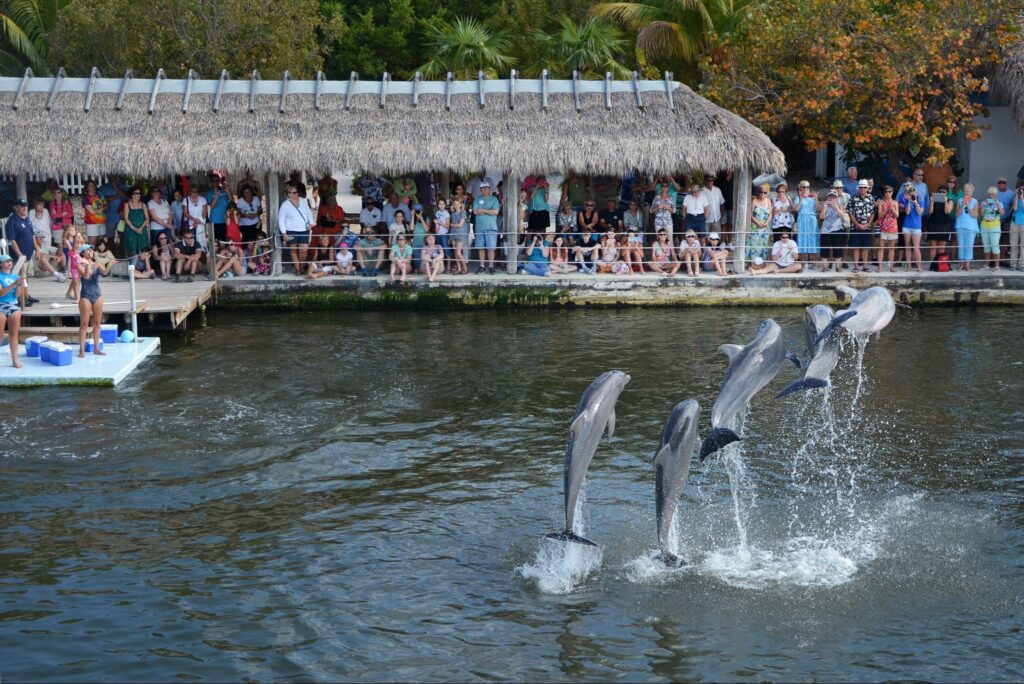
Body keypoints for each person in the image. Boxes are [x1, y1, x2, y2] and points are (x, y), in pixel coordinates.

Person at [75, 244, 112, 358]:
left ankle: (96, 348)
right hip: (85, 296)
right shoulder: (79, 264)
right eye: (87, 250)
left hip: (97, 295)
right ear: (82, 253)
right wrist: (88, 265)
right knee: (84, 324)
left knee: (97, 323)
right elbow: (86, 276)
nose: (90, 251)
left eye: (91, 249)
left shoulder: (97, 263)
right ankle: (81, 350)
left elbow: (105, 273)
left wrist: (110, 264)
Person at [6, 199, 38, 307]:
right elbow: (12, 240)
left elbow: (32, 235)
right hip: (19, 257)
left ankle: (26, 295)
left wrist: (37, 249)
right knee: (20, 278)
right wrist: (19, 255)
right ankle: (20, 298)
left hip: (29, 254)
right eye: (22, 206)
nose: (25, 208)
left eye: (26, 206)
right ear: (16, 207)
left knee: (26, 277)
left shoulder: (28, 220)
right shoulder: (12, 221)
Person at [278, 182, 315, 274]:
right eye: (290, 192)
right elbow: (281, 220)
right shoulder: (285, 205)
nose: (293, 194)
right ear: (288, 194)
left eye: (295, 192)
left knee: (304, 250)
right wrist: (284, 233)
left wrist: (311, 223)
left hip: (304, 230)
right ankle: (298, 269)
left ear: (298, 192)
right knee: (293, 250)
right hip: (291, 230)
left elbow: (308, 213)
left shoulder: (303, 201)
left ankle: (302, 266)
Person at [30, 197, 65, 282]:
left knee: (57, 252)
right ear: (35, 205)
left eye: (42, 205)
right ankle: (56, 273)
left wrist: (60, 252)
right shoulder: (31, 212)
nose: (41, 207)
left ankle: (64, 269)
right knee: (42, 256)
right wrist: (54, 256)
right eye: (39, 205)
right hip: (40, 270)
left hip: (47, 234)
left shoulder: (45, 211)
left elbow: (50, 222)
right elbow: (31, 225)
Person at [0, 254, 25, 368]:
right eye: (6, 261)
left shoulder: (15, 276)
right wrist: (14, 284)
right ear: (1, 264)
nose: (9, 263)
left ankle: (15, 360)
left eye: (10, 261)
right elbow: (1, 293)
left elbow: (17, 295)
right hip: (1, 305)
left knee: (13, 335)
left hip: (13, 305)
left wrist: (19, 285)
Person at [848, 180, 876, 272]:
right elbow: (850, 213)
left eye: (864, 187)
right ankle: (856, 266)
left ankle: (865, 266)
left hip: (866, 227)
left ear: (867, 188)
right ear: (858, 188)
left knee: (865, 247)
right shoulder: (853, 198)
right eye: (861, 187)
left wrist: (868, 223)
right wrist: (858, 224)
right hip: (855, 226)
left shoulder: (871, 198)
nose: (863, 189)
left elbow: (873, 212)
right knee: (856, 247)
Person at [473, 182, 500, 274]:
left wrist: (483, 210)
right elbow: (476, 212)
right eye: (483, 188)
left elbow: (496, 212)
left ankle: (491, 266)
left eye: (487, 188)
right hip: (479, 227)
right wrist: (489, 211)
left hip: (491, 226)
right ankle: (482, 266)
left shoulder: (494, 199)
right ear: (480, 190)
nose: (485, 190)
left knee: (491, 247)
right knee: (480, 247)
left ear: (490, 189)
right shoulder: (477, 199)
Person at [818, 190, 848, 272]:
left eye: (833, 197)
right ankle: (824, 267)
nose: (831, 199)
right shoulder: (824, 206)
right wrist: (824, 207)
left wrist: (836, 207)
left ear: (836, 198)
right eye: (830, 197)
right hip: (825, 231)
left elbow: (842, 216)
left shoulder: (840, 206)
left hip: (837, 230)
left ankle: (838, 267)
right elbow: (821, 217)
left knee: (837, 248)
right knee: (825, 248)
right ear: (827, 198)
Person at [927, 180, 954, 267]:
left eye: (944, 192)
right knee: (933, 246)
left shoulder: (950, 201)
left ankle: (940, 264)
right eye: (940, 191)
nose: (942, 193)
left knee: (942, 247)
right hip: (933, 223)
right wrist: (931, 202)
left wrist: (945, 201)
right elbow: (930, 212)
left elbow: (947, 211)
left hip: (944, 225)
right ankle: (932, 264)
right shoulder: (934, 200)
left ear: (947, 193)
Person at [793, 182, 819, 268]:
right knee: (802, 239)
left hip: (812, 219)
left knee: (812, 240)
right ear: (800, 188)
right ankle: (803, 262)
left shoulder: (812, 198)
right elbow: (796, 209)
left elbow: (817, 209)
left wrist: (816, 199)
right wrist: (801, 198)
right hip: (802, 219)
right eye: (804, 187)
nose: (806, 188)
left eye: (808, 186)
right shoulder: (797, 197)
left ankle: (814, 262)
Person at [955, 183, 980, 270]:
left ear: (972, 192)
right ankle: (962, 264)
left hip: (971, 227)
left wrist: (969, 207)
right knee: (961, 245)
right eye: (966, 191)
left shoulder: (975, 201)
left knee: (969, 245)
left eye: (969, 191)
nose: (967, 193)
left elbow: (975, 215)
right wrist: (962, 205)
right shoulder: (959, 200)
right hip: (960, 226)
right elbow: (957, 214)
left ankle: (968, 264)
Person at [121, 186, 151, 258]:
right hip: (130, 231)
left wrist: (140, 228)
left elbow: (147, 218)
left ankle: (143, 265)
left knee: (143, 248)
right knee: (132, 249)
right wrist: (134, 228)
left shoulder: (143, 205)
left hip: (142, 230)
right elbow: (126, 218)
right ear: (132, 195)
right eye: (137, 193)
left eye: (140, 193)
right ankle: (132, 267)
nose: (139, 195)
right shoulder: (127, 205)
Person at [875, 186, 900, 271]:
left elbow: (897, 215)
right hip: (883, 227)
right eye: (886, 192)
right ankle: (880, 267)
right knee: (881, 248)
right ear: (884, 193)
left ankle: (891, 266)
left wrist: (892, 208)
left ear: (892, 192)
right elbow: (879, 216)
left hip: (892, 228)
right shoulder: (881, 202)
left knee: (891, 248)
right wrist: (887, 209)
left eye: (890, 191)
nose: (888, 193)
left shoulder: (895, 202)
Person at [901, 185, 925, 272]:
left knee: (916, 248)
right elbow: (907, 212)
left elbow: (920, 212)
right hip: (907, 226)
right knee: (907, 247)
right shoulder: (907, 201)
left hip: (916, 227)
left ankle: (919, 267)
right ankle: (909, 267)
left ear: (917, 195)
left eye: (914, 194)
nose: (913, 196)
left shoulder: (921, 202)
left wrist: (915, 203)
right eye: (911, 194)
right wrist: (909, 202)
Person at [979, 186, 1003, 270]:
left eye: (993, 194)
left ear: (996, 195)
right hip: (984, 225)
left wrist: (998, 204)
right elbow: (981, 214)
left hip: (995, 226)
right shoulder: (983, 202)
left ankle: (997, 266)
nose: (991, 196)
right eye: (990, 194)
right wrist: (983, 206)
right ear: (987, 194)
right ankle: (986, 264)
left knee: (995, 246)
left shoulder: (999, 202)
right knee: (986, 246)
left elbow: (1002, 213)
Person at [748, 183, 773, 262]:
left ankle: (761, 262)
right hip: (755, 226)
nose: (762, 194)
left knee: (763, 245)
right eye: (761, 192)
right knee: (754, 244)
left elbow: (770, 214)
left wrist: (766, 223)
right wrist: (757, 222)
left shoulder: (768, 201)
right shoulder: (755, 201)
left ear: (767, 193)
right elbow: (750, 215)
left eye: (765, 192)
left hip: (765, 227)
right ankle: (753, 262)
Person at [82, 179, 108, 246]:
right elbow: (92, 211)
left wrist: (100, 209)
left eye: (94, 185)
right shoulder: (85, 198)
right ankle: (92, 255)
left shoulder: (99, 194)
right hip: (92, 223)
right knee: (93, 243)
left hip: (102, 221)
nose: (93, 187)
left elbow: (106, 204)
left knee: (101, 242)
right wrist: (101, 209)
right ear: (87, 188)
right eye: (91, 186)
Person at [206, 173, 230, 242]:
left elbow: (232, 201)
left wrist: (228, 191)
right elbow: (212, 205)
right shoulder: (209, 193)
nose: (216, 182)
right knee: (215, 242)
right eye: (214, 181)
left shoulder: (224, 191)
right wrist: (216, 196)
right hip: (214, 221)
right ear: (211, 182)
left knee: (224, 241)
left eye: (217, 180)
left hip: (225, 221)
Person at [449, 199, 470, 275]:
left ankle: (465, 268)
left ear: (461, 205)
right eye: (455, 204)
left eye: (458, 204)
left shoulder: (463, 212)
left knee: (458, 252)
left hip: (460, 235)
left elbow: (460, 225)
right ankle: (459, 268)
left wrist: (452, 225)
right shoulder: (452, 214)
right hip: (453, 234)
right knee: (455, 253)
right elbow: (454, 226)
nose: (456, 206)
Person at [1010, 182, 1024, 271]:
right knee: (1013, 245)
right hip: (1014, 223)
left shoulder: (1022, 199)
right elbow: (1015, 208)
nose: (1021, 191)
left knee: (1023, 245)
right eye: (1020, 189)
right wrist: (1016, 196)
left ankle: (1022, 264)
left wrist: (1022, 198)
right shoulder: (1016, 197)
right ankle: (1013, 264)